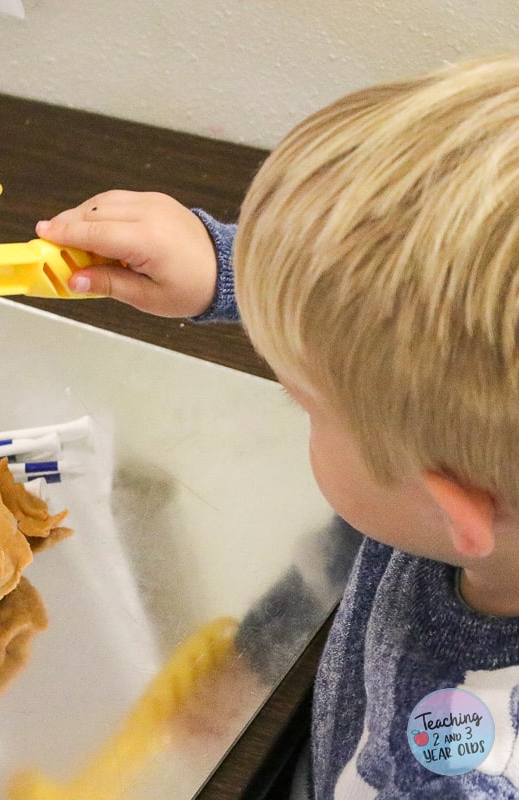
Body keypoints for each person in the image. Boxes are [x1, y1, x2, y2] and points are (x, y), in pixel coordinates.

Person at [36, 55, 519, 797]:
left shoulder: (452, 774)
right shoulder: (461, 481)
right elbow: (385, 316)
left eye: (305, 403)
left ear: (455, 510)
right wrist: (226, 269)